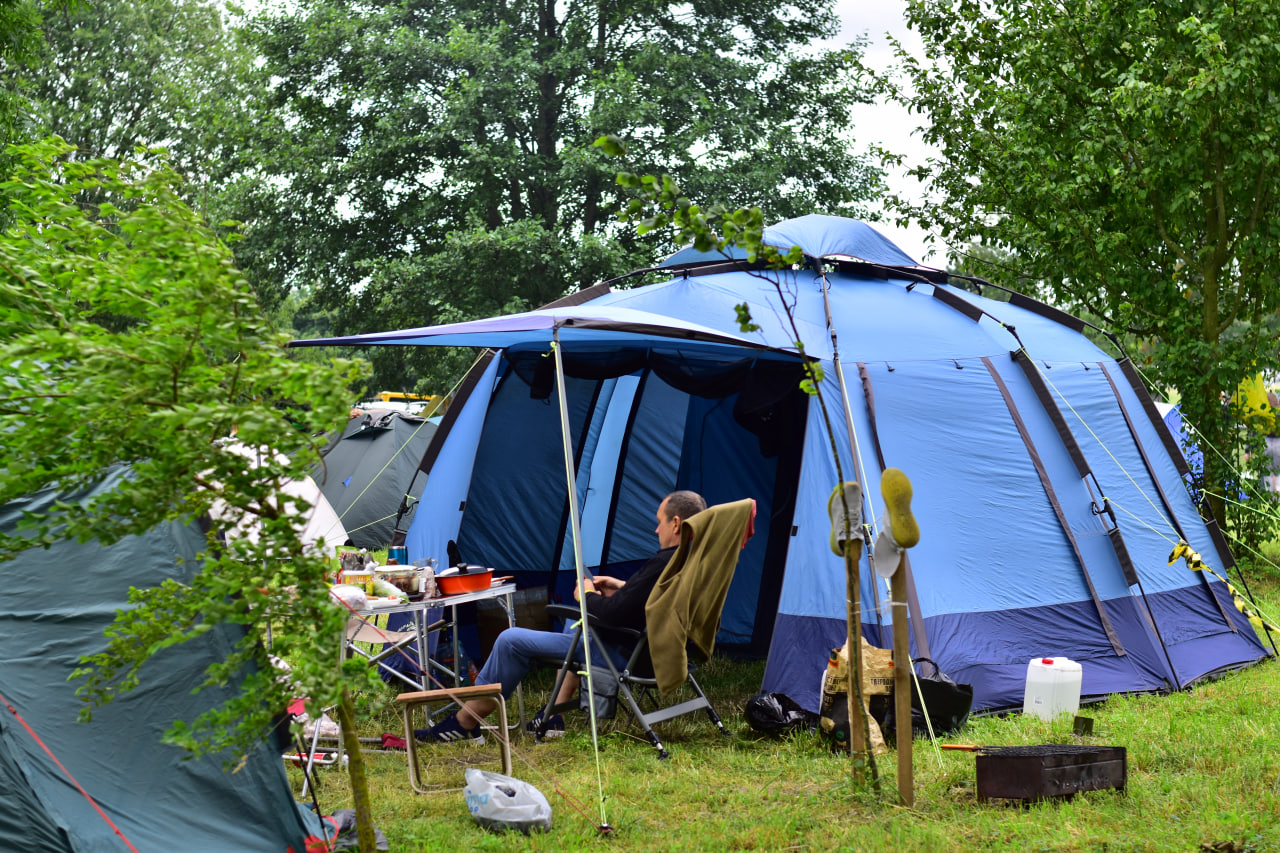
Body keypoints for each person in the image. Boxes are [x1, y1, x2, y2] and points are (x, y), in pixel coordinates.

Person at [415, 489, 707, 744]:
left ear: (677, 523)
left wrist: (587, 595)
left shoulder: (663, 562)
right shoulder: (691, 560)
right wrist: (623, 587)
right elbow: (657, 600)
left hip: (624, 651)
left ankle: (465, 723)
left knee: (511, 640)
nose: (657, 530)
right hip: (657, 649)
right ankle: (553, 716)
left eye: (660, 523)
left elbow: (613, 615)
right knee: (574, 623)